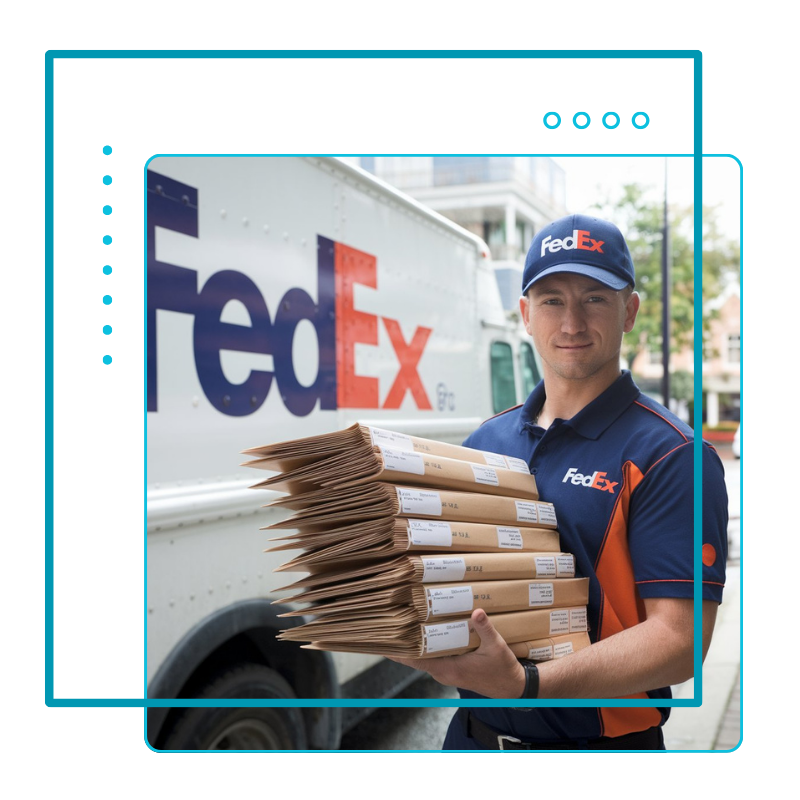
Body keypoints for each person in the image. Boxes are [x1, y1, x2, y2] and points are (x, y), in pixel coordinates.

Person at [389, 213, 729, 751]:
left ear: (630, 311)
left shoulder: (672, 454)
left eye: (594, 298)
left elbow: (679, 643)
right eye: (551, 300)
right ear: (525, 314)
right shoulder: (485, 441)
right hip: (472, 738)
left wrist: (528, 686)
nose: (571, 322)